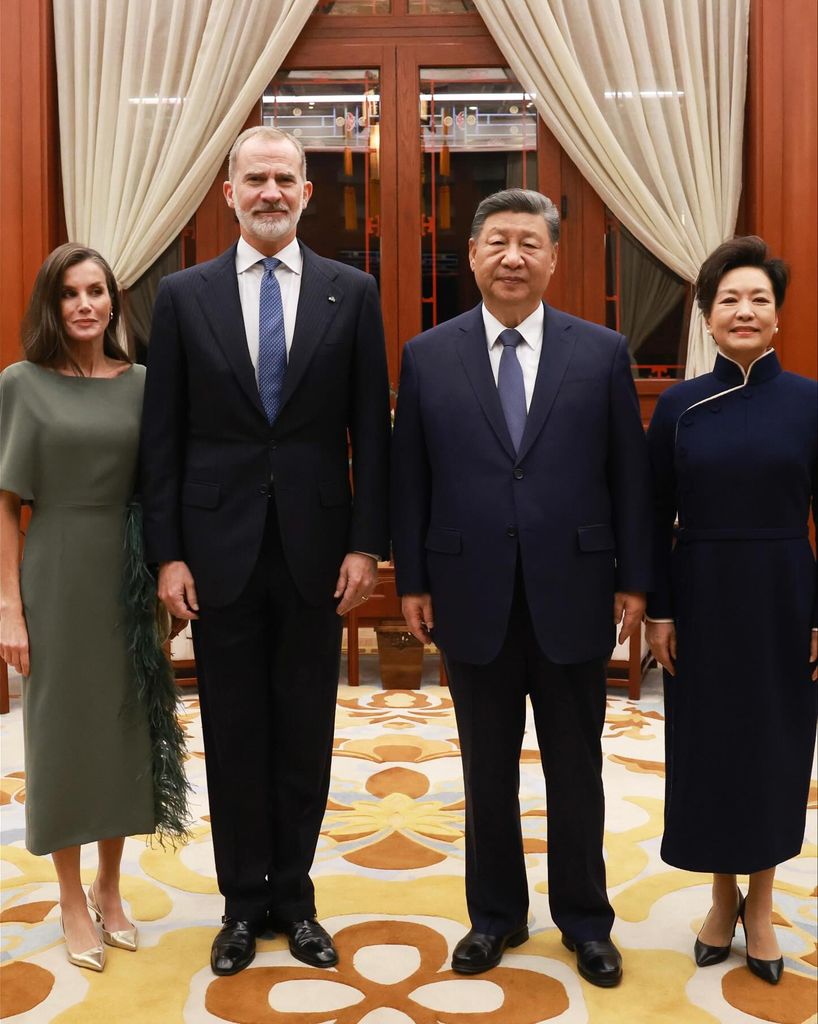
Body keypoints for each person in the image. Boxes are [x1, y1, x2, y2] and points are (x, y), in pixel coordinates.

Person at [140, 126, 391, 977]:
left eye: (285, 178)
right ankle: (243, 903)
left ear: (307, 193)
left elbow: (372, 430)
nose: (271, 192)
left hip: (318, 551)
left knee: (306, 728)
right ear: (230, 194)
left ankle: (296, 897)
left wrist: (367, 544)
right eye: (256, 180)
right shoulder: (184, 296)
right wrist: (168, 554)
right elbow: (163, 438)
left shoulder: (352, 293)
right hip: (217, 553)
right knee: (235, 727)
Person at [391, 188, 651, 987]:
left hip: (575, 588)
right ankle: (495, 916)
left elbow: (628, 476)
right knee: (486, 770)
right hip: (470, 592)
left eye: (529, 243)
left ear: (553, 259)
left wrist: (636, 580)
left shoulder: (601, 351)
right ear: (471, 255)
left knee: (576, 769)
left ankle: (586, 921)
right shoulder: (428, 354)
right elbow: (411, 479)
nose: (512, 257)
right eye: (497, 242)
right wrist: (413, 579)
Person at [0, 244, 188, 973]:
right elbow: (6, 504)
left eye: (97, 291)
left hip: (128, 570)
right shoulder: (21, 383)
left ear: (114, 301)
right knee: (61, 731)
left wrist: (167, 572)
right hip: (55, 569)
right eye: (70, 293)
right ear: (51, 304)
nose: (85, 304)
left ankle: (111, 888)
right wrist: (8, 608)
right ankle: (70, 896)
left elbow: (163, 484)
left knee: (122, 730)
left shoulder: (143, 383)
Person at [645, 236, 818, 986]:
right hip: (702, 593)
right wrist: (659, 611)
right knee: (710, 744)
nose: (744, 311)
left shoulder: (810, 402)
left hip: (785, 592)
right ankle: (722, 897)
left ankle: (763, 904)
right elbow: (652, 515)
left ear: (778, 316)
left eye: (759, 300)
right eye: (729, 300)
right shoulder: (678, 407)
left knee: (776, 745)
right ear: (707, 318)